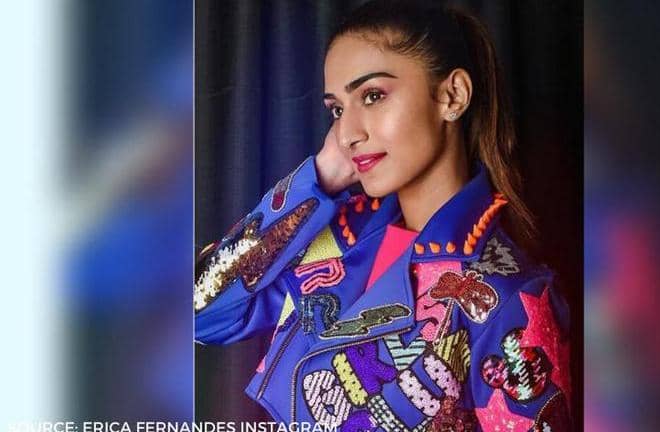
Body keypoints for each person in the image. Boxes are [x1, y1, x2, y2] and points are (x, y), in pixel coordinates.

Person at [195, 1, 572, 430]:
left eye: (372, 96)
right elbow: (201, 313)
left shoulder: (509, 298)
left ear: (452, 96)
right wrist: (318, 178)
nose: (348, 133)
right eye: (338, 109)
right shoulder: (336, 240)